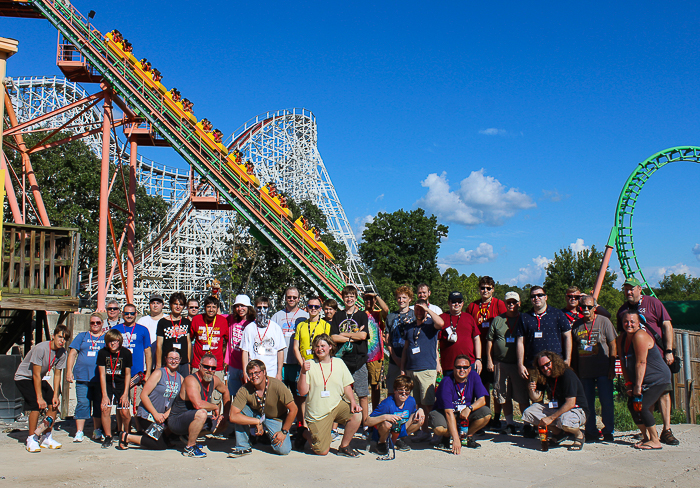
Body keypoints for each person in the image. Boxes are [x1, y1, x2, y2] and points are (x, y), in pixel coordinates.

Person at [616, 277, 678, 445]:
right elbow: (622, 336)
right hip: (637, 360)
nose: (628, 292)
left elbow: (666, 325)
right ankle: (651, 432)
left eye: (632, 289)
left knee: (664, 392)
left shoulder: (653, 303)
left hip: (656, 354)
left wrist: (669, 350)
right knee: (642, 398)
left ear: (639, 289)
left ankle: (667, 429)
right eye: (626, 289)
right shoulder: (623, 311)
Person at [296, 334, 363, 457]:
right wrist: (303, 372)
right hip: (318, 414)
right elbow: (302, 392)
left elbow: (347, 386)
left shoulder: (339, 363)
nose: (320, 349)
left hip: (336, 406)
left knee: (357, 415)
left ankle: (344, 446)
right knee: (322, 451)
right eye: (316, 346)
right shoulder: (309, 364)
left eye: (323, 345)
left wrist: (353, 402)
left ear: (330, 347)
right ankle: (304, 432)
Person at [618, 310, 672, 450]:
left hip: (657, 378)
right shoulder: (621, 338)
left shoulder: (640, 336)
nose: (628, 324)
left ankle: (655, 440)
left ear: (639, 323)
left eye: (632, 322)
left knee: (643, 406)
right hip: (640, 379)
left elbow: (641, 362)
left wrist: (637, 385)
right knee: (633, 405)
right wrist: (628, 383)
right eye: (626, 321)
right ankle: (646, 437)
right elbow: (624, 362)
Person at [14, 325, 70, 452]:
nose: (62, 340)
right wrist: (39, 397)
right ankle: (31, 438)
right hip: (24, 377)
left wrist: (56, 394)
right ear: (54, 336)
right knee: (35, 404)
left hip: (41, 378)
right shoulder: (41, 348)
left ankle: (46, 435)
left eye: (65, 338)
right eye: (60, 337)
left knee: (54, 404)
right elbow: (35, 374)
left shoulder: (63, 353)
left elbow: (57, 374)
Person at [571, 295, 617, 442]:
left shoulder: (604, 322)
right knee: (587, 403)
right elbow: (573, 349)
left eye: (589, 307)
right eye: (582, 307)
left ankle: (608, 430)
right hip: (585, 371)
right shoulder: (576, 325)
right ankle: (590, 430)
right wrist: (575, 370)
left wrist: (612, 367)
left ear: (594, 308)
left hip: (603, 369)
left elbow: (613, 345)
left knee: (606, 401)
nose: (585, 309)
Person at [522, 350, 588, 451]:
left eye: (547, 364)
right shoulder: (546, 375)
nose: (545, 368)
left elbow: (571, 403)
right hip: (559, 408)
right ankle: (559, 433)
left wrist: (551, 418)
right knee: (529, 412)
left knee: (565, 421)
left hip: (576, 409)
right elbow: (536, 398)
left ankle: (579, 435)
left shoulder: (567, 375)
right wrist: (531, 390)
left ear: (554, 361)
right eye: (542, 367)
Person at [229, 360, 297, 456]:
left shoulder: (277, 386)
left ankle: (268, 436)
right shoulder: (244, 389)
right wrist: (257, 422)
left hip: (276, 417)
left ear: (264, 372)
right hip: (257, 415)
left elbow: (293, 409)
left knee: (283, 450)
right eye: (250, 374)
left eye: (257, 372)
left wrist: (284, 431)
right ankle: (243, 447)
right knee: (240, 411)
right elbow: (233, 416)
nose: (254, 376)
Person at [168, 353, 231, 458]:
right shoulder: (191, 380)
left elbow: (226, 392)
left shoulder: (214, 380)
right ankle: (190, 447)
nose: (209, 370)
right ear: (199, 366)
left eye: (213, 368)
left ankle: (188, 436)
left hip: (193, 418)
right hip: (177, 420)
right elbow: (198, 404)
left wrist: (225, 414)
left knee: (223, 424)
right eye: (206, 367)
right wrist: (215, 407)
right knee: (202, 413)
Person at [120, 347, 184, 450]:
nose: (173, 361)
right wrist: (155, 414)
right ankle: (127, 437)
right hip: (148, 415)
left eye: (176, 358)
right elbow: (143, 395)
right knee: (160, 445)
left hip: (163, 418)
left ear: (180, 360)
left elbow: (178, 402)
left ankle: (163, 437)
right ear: (165, 359)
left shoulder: (180, 378)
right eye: (170, 358)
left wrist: (166, 415)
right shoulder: (159, 373)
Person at [485, 291, 529, 435]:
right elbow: (490, 340)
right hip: (500, 363)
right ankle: (509, 423)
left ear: (519, 303)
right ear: (505, 303)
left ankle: (527, 424)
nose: (511, 305)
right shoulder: (498, 320)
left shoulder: (524, 318)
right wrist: (490, 360)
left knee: (522, 395)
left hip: (518, 364)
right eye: (508, 302)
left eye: (514, 302)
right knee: (503, 395)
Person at [400, 299, 444, 442]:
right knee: (416, 403)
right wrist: (402, 368)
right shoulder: (409, 327)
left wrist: (427, 310)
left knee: (428, 402)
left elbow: (441, 323)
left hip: (426, 369)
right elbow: (406, 349)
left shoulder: (431, 324)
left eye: (421, 309)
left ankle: (437, 431)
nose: (419, 312)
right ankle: (424, 431)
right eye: (417, 309)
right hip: (411, 369)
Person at [466, 276, 506, 430]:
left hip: (494, 351)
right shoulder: (473, 306)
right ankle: (484, 415)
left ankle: (497, 417)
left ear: (493, 289)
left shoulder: (499, 304)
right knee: (482, 386)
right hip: (478, 352)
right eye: (482, 288)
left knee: (496, 386)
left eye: (488, 288)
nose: (485, 291)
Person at [430, 355, 492, 453]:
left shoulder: (474, 376)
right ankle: (447, 436)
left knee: (486, 413)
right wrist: (455, 439)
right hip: (446, 413)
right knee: (439, 428)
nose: (462, 370)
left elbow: (482, 400)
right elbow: (448, 412)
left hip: (464, 412)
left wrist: (469, 408)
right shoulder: (446, 382)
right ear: (453, 368)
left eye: (465, 367)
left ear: (470, 368)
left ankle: (467, 436)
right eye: (458, 367)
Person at [330, 285, 370, 431]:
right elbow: (333, 337)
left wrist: (345, 336)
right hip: (342, 360)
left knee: (363, 394)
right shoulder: (338, 316)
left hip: (359, 359)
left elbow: (363, 336)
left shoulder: (361, 315)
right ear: (343, 298)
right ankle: (335, 426)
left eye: (352, 296)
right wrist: (353, 337)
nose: (349, 299)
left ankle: (365, 425)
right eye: (347, 296)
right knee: (339, 394)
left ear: (356, 297)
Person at [66, 313, 106, 442]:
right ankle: (79, 431)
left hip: (99, 379)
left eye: (98, 322)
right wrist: (69, 371)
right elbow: (72, 353)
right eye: (92, 322)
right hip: (83, 376)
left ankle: (97, 429)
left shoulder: (106, 338)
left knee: (99, 404)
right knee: (83, 403)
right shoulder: (82, 336)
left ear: (102, 324)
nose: (95, 325)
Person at [292, 296, 331, 424]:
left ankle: (320, 423)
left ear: (320, 309)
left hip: (319, 364)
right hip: (304, 365)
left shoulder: (325, 325)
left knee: (319, 395)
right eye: (310, 306)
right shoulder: (301, 325)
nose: (313, 309)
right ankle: (303, 425)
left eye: (316, 307)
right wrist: (301, 363)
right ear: (306, 308)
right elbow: (296, 347)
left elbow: (328, 346)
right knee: (302, 396)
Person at [366, 375, 425, 454]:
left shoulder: (411, 401)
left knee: (420, 419)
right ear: (394, 390)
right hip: (383, 430)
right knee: (387, 423)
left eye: (407, 391)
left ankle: (398, 439)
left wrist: (420, 410)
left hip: (398, 428)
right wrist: (385, 417)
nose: (404, 394)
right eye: (400, 391)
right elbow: (367, 421)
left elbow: (413, 413)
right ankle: (381, 442)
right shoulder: (387, 404)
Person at [111, 303, 152, 409]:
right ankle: (120, 426)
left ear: (136, 314)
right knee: (121, 405)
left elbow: (148, 352)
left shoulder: (143, 330)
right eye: (127, 313)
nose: (129, 315)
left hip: (136, 373)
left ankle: (137, 425)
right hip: (119, 372)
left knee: (137, 404)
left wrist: (147, 373)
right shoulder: (116, 329)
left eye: (132, 313)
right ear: (122, 314)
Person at [97, 328, 133, 449]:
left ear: (120, 341)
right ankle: (108, 436)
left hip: (121, 383)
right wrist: (104, 395)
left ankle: (126, 434)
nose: (113, 344)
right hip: (107, 383)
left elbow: (128, 374)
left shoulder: (126, 353)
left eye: (116, 341)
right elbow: (102, 374)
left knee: (124, 411)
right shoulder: (103, 353)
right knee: (105, 408)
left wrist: (125, 393)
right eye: (110, 341)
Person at [271, 286, 309, 398]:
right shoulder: (277, 316)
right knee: (280, 396)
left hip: (297, 363)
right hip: (281, 364)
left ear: (298, 299)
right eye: (289, 297)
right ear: (285, 298)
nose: (291, 299)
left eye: (294, 297)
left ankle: (299, 416)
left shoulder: (305, 316)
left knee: (299, 396)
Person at [241, 296, 286, 381]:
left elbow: (280, 351)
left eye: (265, 307)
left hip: (271, 372)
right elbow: (245, 351)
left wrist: (279, 373)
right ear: (255, 308)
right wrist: (245, 372)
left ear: (269, 309)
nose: (262, 310)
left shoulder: (276, 328)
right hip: (254, 373)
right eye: (259, 307)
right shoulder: (249, 328)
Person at [438, 291, 481, 376]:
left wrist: (478, 359)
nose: (456, 304)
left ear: (463, 303)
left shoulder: (469, 317)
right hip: (449, 365)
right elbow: (436, 343)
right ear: (449, 303)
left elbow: (476, 339)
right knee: (449, 389)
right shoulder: (441, 318)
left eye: (459, 301)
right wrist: (437, 363)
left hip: (469, 364)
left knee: (470, 389)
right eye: (453, 301)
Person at [191, 296, 228, 387]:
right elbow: (189, 340)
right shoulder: (196, 319)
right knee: (196, 391)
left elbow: (228, 342)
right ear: (204, 308)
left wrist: (226, 359)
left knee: (216, 395)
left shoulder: (222, 321)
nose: (211, 310)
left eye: (214, 307)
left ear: (217, 309)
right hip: (198, 364)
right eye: (208, 307)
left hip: (217, 366)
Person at [386, 285, 416, 394]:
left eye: (404, 298)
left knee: (410, 391)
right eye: (399, 298)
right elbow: (387, 340)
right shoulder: (391, 317)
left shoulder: (415, 315)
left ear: (410, 299)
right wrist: (394, 356)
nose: (401, 300)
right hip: (395, 359)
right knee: (392, 389)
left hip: (411, 359)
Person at [363, 291, 389, 411]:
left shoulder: (378, 314)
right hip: (361, 355)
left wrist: (376, 296)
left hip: (375, 355)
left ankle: (375, 412)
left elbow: (386, 309)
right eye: (366, 298)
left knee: (375, 386)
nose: (369, 301)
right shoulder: (359, 314)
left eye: (371, 299)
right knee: (361, 387)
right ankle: (362, 415)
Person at [156, 292, 191, 376]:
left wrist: (189, 362)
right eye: (175, 304)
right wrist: (158, 365)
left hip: (183, 362)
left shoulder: (186, 322)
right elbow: (159, 345)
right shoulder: (163, 322)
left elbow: (188, 342)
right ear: (171, 305)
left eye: (181, 304)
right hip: (168, 362)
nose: (178, 307)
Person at [226, 295, 255, 398]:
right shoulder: (231, 319)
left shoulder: (253, 322)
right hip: (233, 364)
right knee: (232, 394)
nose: (240, 309)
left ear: (248, 307)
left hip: (248, 364)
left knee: (247, 395)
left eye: (242, 306)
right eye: (237, 306)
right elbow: (217, 315)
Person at [138, 294, 165, 365]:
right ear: (149, 305)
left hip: (164, 357)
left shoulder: (167, 319)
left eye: (158, 303)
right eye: (153, 303)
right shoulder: (142, 321)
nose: (155, 305)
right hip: (147, 358)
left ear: (163, 305)